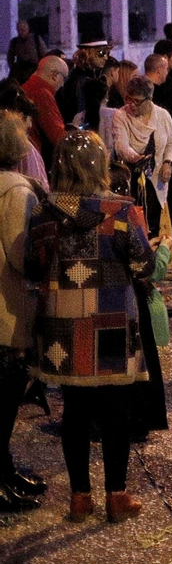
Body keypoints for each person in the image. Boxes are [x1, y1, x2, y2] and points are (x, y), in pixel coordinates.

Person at [30, 130, 169, 524]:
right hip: (111, 323)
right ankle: (116, 496)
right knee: (116, 412)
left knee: (73, 411)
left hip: (61, 326)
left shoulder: (44, 212)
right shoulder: (122, 212)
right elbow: (144, 267)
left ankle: (79, 498)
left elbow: (30, 263)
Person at [0, 115, 41, 512]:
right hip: (6, 307)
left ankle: (5, 469)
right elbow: (20, 254)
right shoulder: (15, 188)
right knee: (6, 397)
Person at [108, 76, 172, 233]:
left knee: (154, 224)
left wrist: (168, 162)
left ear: (149, 99)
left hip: (158, 179)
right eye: (128, 99)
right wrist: (138, 159)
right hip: (132, 180)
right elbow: (121, 147)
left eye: (137, 101)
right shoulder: (121, 115)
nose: (131, 104)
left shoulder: (163, 115)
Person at [21, 55, 67, 163]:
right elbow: (57, 137)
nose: (63, 84)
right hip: (35, 159)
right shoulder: (43, 94)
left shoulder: (26, 87)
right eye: (64, 78)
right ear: (55, 75)